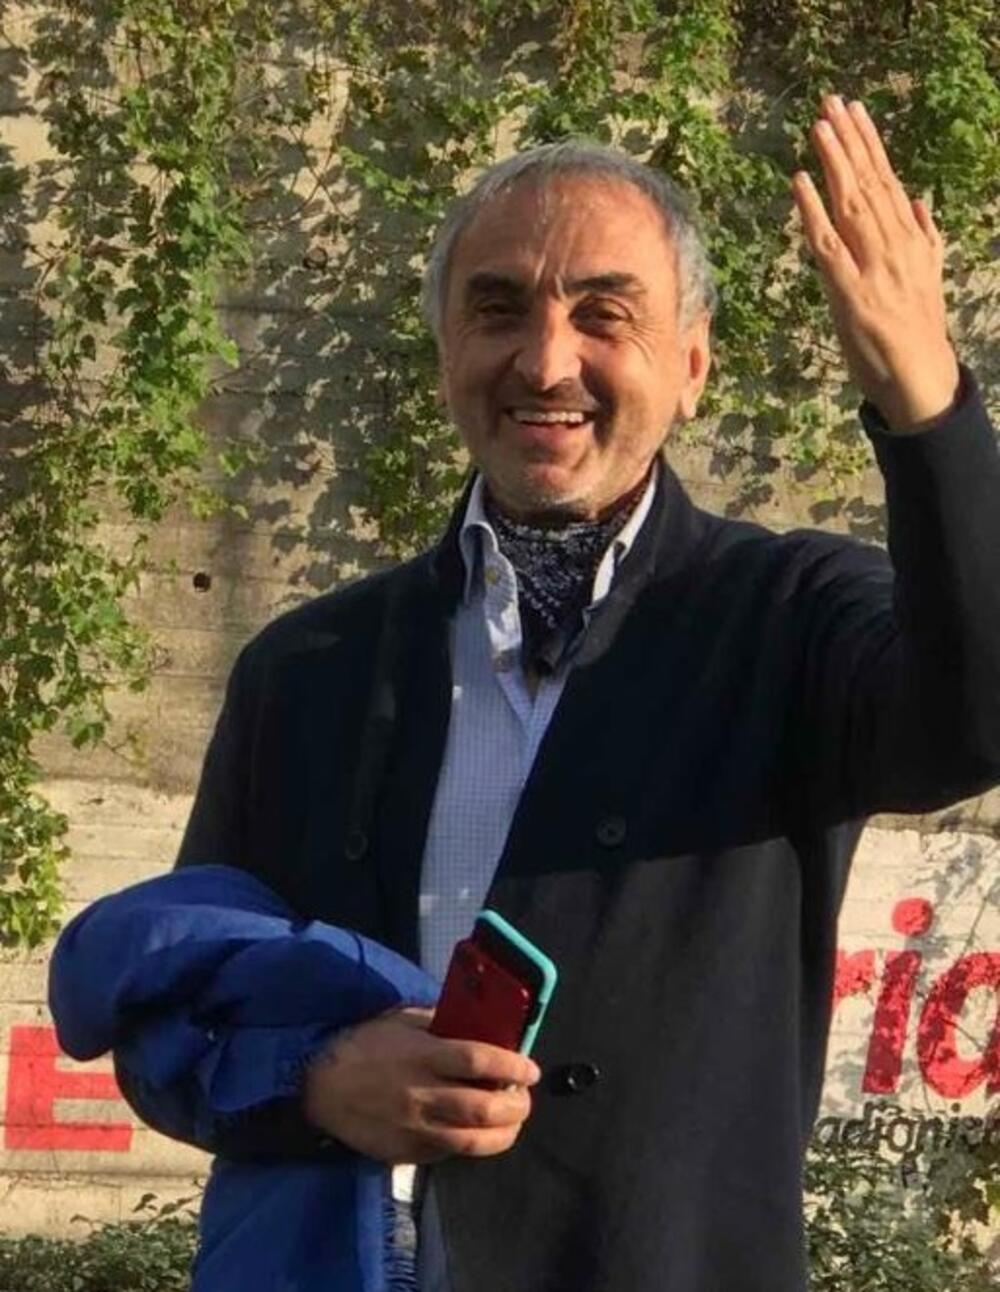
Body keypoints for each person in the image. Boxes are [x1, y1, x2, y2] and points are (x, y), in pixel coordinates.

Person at [49, 94, 1000, 1292]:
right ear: (446, 347)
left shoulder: (785, 620)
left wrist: (926, 405)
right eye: (498, 308)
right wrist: (314, 1076)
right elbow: (171, 1029)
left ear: (692, 364)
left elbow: (975, 717)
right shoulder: (309, 668)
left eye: (605, 313)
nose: (545, 361)